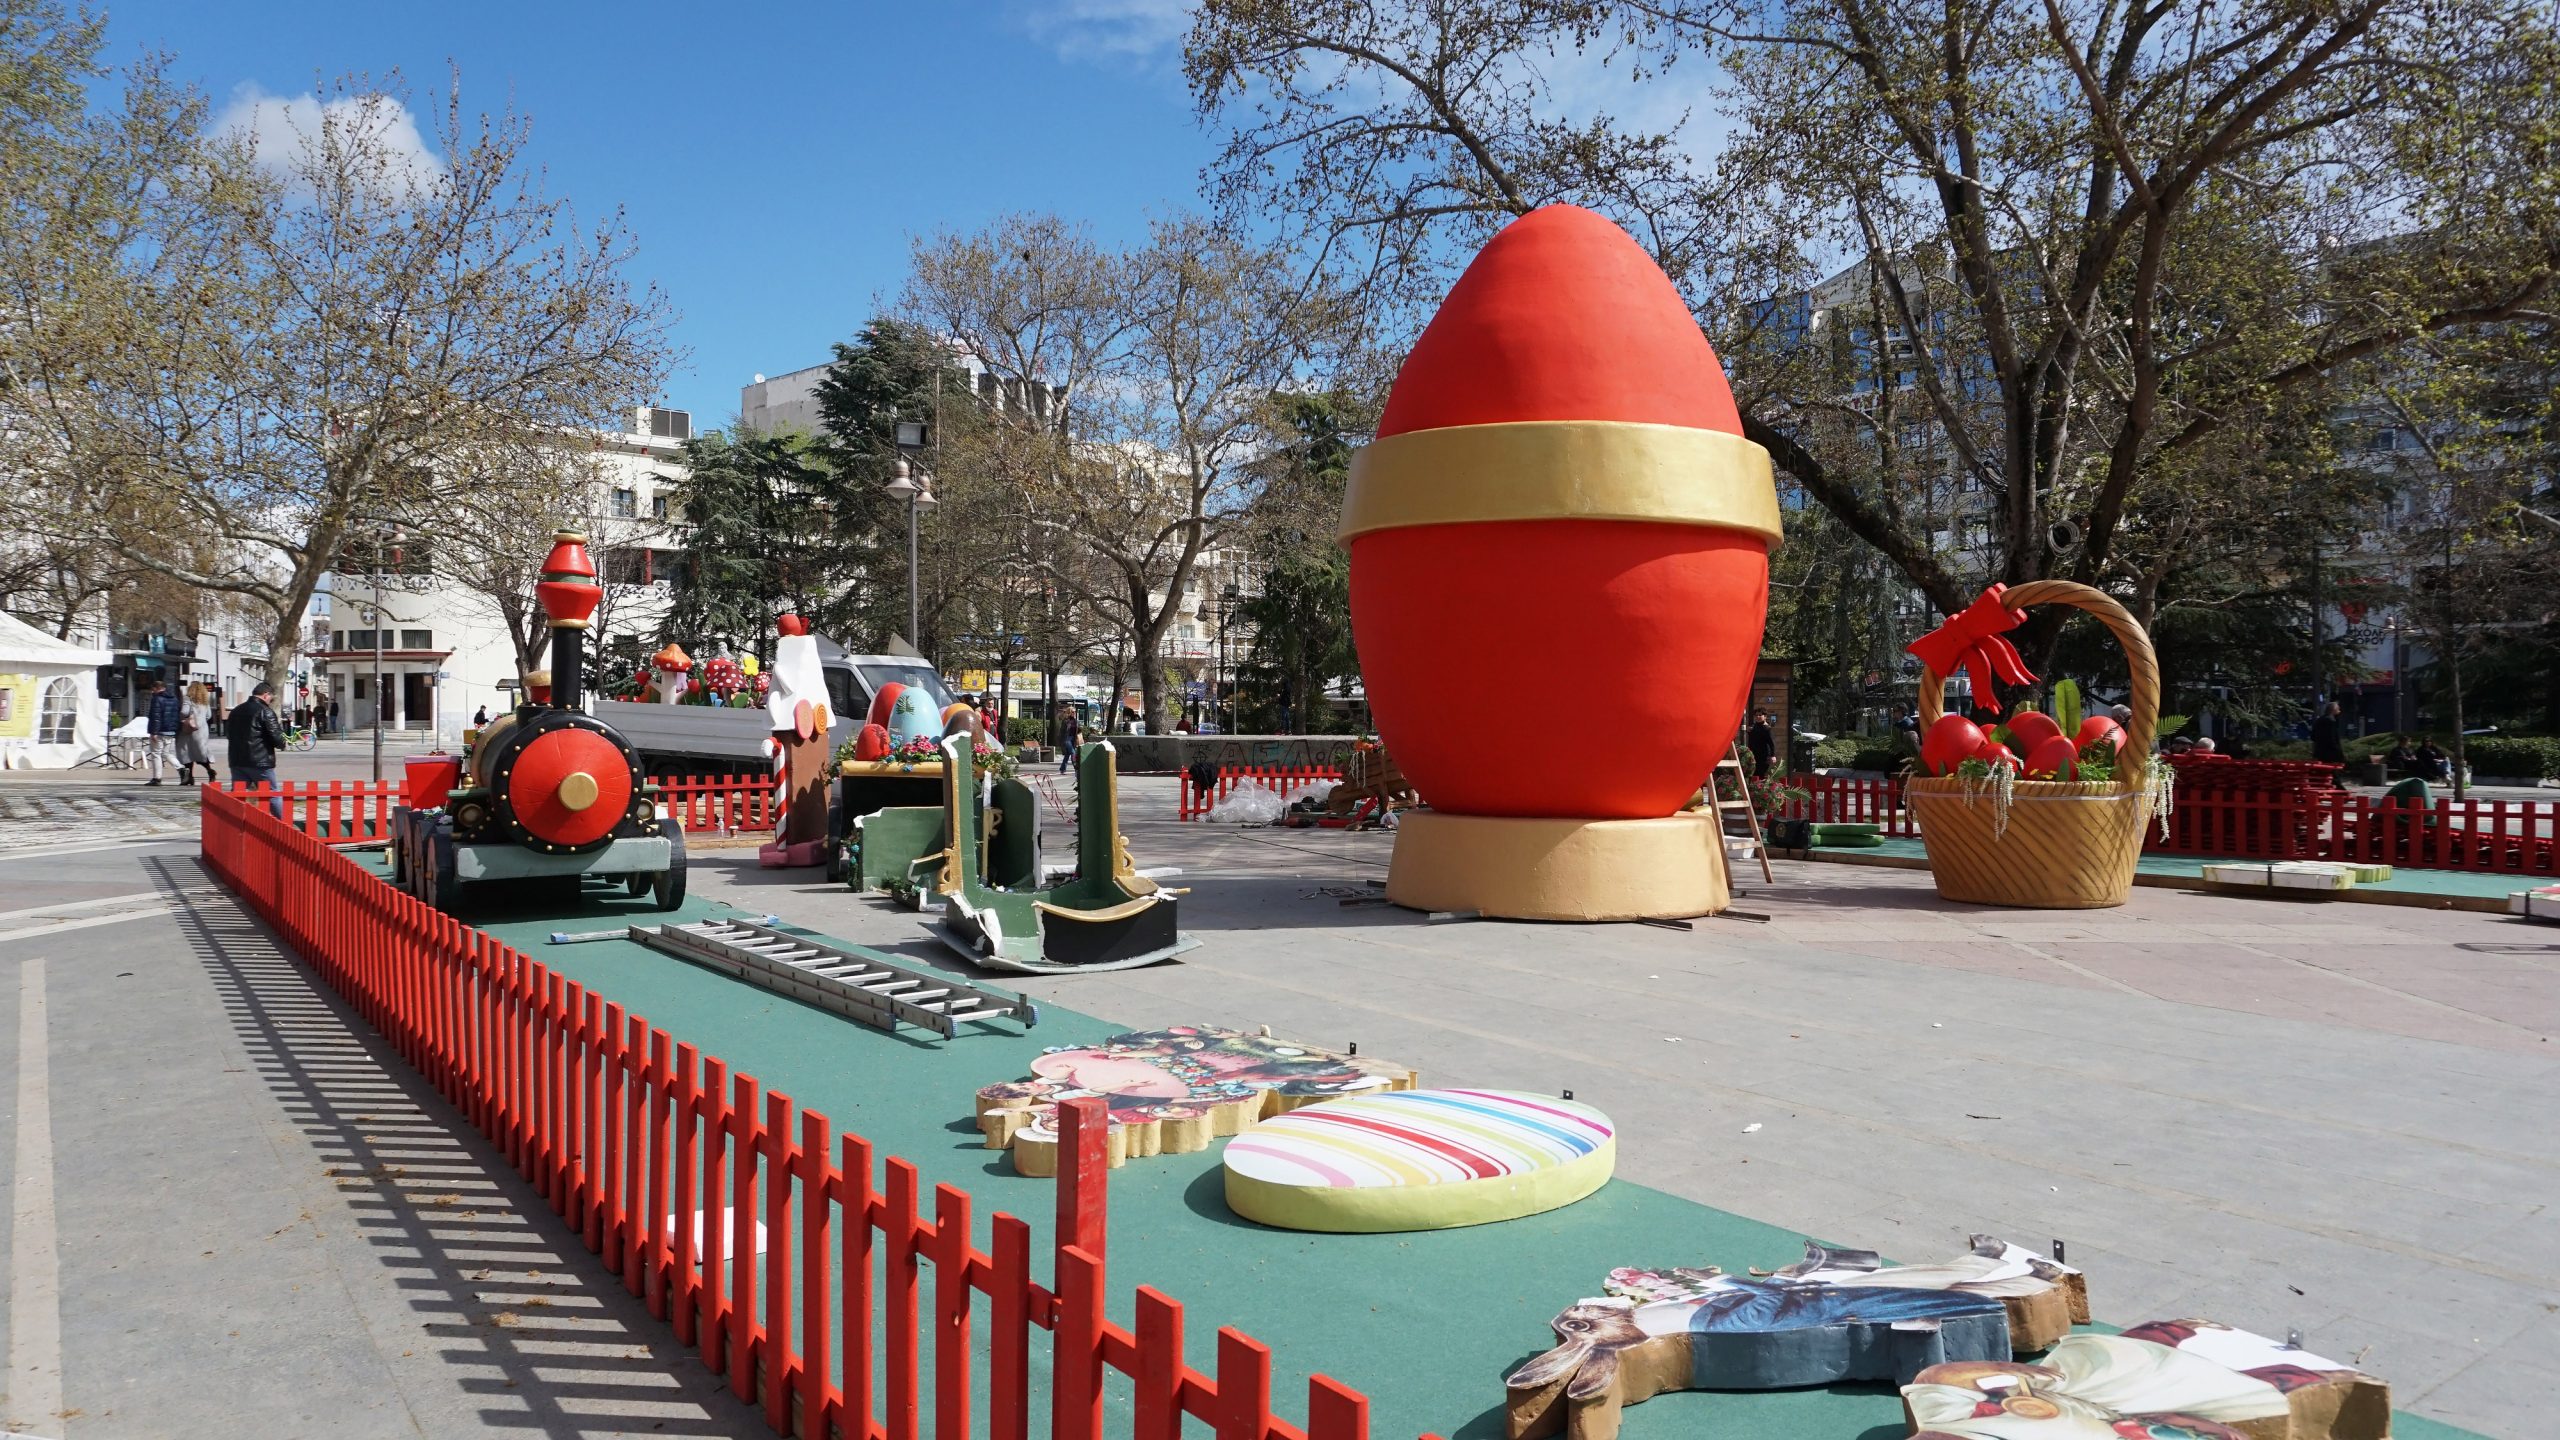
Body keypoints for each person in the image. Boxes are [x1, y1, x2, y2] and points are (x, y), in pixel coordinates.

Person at [227, 679, 288, 817]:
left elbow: (229, 735)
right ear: (266, 694)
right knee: (272, 794)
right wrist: (282, 743)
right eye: (270, 698)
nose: (270, 701)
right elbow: (276, 736)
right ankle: (283, 824)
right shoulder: (265, 711)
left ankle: (236, 823)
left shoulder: (236, 710)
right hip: (260, 761)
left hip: (237, 760)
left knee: (238, 795)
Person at [142, 679, 183, 785]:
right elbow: (176, 715)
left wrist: (154, 732)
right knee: (166, 753)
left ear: (156, 688)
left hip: (159, 731)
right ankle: (181, 768)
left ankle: (157, 778)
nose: (152, 692)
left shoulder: (157, 699)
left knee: (156, 753)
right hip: (170, 731)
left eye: (153, 689)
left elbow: (156, 716)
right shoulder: (174, 699)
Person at [176, 681, 216, 786]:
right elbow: (209, 715)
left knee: (187, 753)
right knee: (200, 753)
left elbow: (184, 712)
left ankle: (190, 777)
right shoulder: (204, 701)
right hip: (202, 730)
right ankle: (210, 771)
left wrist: (180, 717)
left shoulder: (188, 698)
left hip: (188, 730)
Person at [2310, 700, 2345, 765]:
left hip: (2319, 751)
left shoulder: (2319, 720)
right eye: (2338, 709)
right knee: (2332, 771)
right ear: (2334, 710)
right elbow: (2332, 738)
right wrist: (2338, 752)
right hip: (2330, 753)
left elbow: (2313, 736)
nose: (2339, 711)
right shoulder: (2331, 721)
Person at [1746, 710, 1775, 779]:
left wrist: (1772, 755)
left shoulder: (1767, 728)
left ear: (1765, 717)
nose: (1758, 717)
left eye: (1760, 715)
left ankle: (1760, 789)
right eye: (1756, 715)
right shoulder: (1753, 726)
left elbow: (1771, 743)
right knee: (1753, 773)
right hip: (1753, 754)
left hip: (1763, 755)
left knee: (1761, 774)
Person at [1056, 705, 1083, 772]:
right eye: (1073, 712)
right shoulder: (1065, 721)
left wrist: (1080, 729)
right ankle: (1076, 768)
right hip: (1067, 739)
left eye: (1075, 712)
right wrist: (1061, 741)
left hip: (1073, 739)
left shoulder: (1075, 721)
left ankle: (1062, 768)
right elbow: (1062, 732)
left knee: (1067, 755)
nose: (1074, 713)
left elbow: (1076, 730)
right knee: (1073, 753)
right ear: (1069, 712)